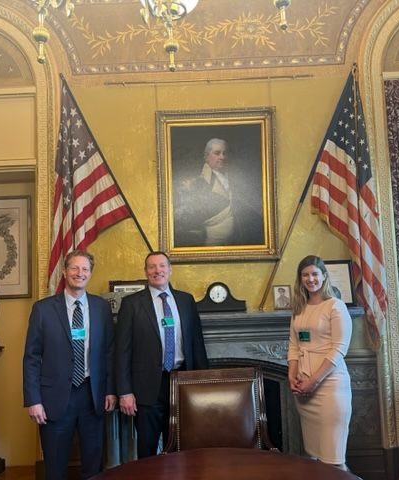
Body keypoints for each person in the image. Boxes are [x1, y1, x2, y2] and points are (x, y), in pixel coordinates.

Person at [23, 250, 116, 480]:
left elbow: (109, 352)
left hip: (92, 395)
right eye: (74, 268)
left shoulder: (101, 308)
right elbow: (32, 357)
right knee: (55, 468)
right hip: (53, 398)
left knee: (94, 466)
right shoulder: (43, 309)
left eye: (85, 269)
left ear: (90, 274)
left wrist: (110, 390)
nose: (79, 273)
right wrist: (33, 400)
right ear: (64, 272)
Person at [115, 251, 209, 458]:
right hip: (146, 388)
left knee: (180, 448)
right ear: (146, 271)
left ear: (170, 270)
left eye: (162, 266)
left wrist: (203, 384)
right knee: (147, 451)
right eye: (152, 267)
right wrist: (124, 391)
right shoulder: (131, 304)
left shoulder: (186, 300)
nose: (157, 270)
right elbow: (122, 351)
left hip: (181, 382)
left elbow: (197, 344)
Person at [287, 255, 352, 471]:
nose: (310, 279)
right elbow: (294, 346)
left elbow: (339, 349)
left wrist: (314, 381)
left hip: (330, 388)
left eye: (315, 274)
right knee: (314, 457)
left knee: (334, 459)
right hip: (304, 392)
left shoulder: (335, 306)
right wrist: (292, 376)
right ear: (300, 278)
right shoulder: (299, 308)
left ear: (324, 276)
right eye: (305, 275)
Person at [173, 138, 264, 247]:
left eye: (225, 153)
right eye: (217, 153)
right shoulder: (196, 182)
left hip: (240, 238)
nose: (222, 157)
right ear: (206, 157)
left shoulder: (237, 178)